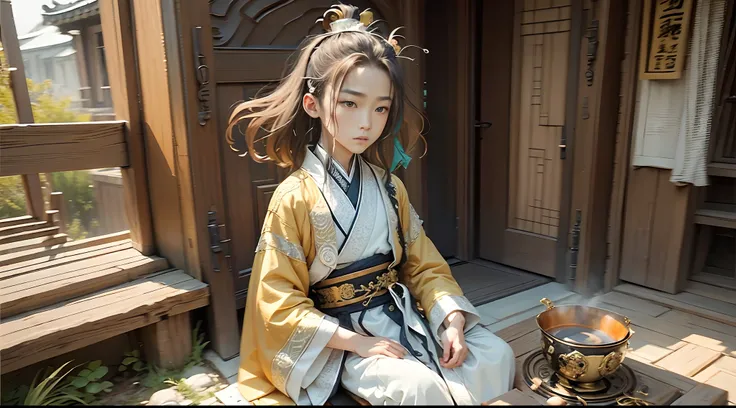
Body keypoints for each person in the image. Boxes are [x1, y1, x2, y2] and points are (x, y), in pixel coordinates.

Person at [226, 4, 515, 405]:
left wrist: (450, 320)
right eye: (350, 103)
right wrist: (354, 343)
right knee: (417, 388)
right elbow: (276, 301)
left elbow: (423, 264)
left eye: (381, 107)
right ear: (313, 105)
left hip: (404, 314)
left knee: (495, 356)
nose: (367, 122)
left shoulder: (390, 187)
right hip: (339, 336)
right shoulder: (293, 198)